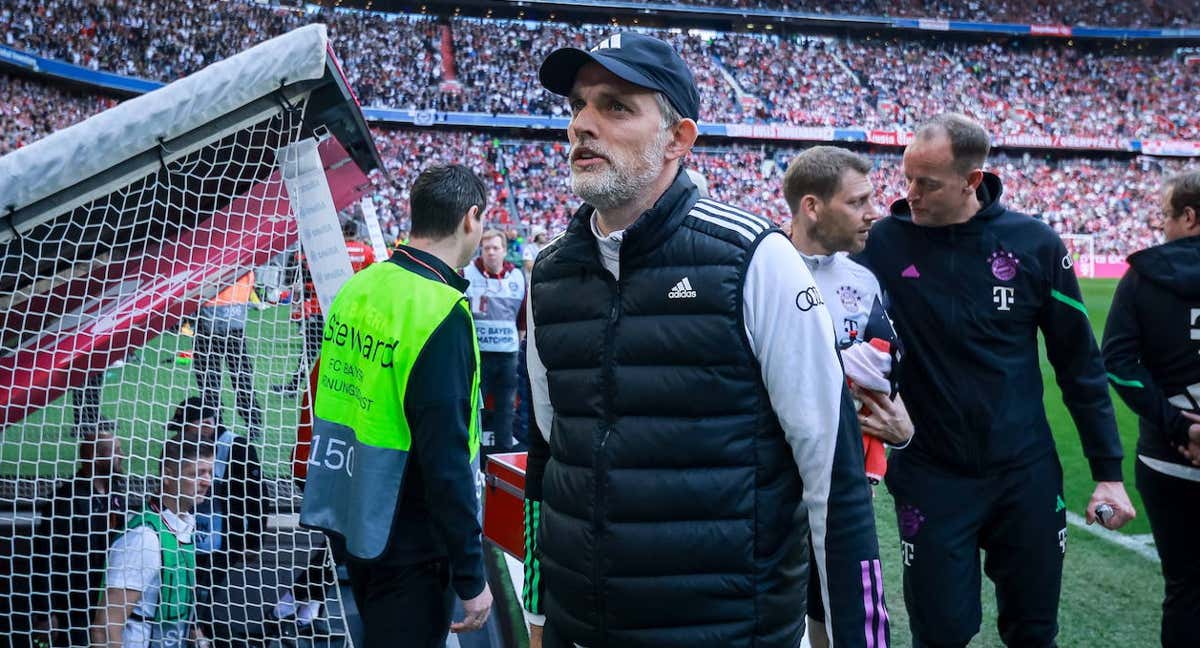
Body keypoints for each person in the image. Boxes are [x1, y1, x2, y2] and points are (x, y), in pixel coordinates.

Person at [521, 33, 885, 648]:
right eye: (578, 105)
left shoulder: (756, 261)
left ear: (679, 140)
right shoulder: (549, 272)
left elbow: (834, 478)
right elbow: (548, 457)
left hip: (729, 632)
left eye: (615, 106)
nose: (583, 124)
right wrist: (537, 618)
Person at [859, 113, 1136, 647]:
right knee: (940, 634)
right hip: (930, 475)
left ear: (972, 179)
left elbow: (1079, 364)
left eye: (927, 183)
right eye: (907, 177)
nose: (910, 194)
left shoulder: (1034, 245)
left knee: (1033, 632)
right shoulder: (882, 243)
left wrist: (1108, 472)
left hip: (1025, 476)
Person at [299, 164, 493, 647]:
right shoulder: (441, 312)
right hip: (412, 541)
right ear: (471, 219)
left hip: (354, 518)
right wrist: (472, 577)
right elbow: (446, 460)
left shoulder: (358, 288)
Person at [783, 145, 915, 648]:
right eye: (858, 202)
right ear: (813, 206)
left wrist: (899, 432)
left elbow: (884, 373)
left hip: (845, 486)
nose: (874, 212)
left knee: (844, 617)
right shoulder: (757, 269)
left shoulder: (863, 280)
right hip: (770, 484)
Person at [1101, 170, 1200, 648]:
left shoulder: (1143, 276)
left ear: (1188, 216)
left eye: (1165, 214)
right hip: (1169, 458)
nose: (1161, 225)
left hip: (1167, 459)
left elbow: (1117, 364)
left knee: (1185, 590)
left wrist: (1179, 424)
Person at [92, 430, 216, 648]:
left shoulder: (185, 527)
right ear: (167, 475)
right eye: (197, 473)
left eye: (210, 473)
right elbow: (105, 628)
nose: (207, 482)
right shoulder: (145, 538)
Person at [166, 396, 265, 643]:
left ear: (205, 425)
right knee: (189, 595)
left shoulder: (237, 448)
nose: (181, 435)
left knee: (202, 594)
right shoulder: (181, 447)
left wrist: (253, 540)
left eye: (185, 428)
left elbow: (256, 497)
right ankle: (197, 633)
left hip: (221, 541)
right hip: (182, 535)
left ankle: (197, 633)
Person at [34, 430, 127, 647]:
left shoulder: (116, 494)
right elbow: (44, 556)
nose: (122, 455)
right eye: (115, 451)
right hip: (72, 608)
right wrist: (46, 612)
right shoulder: (66, 499)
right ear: (95, 456)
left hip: (106, 603)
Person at [274, 219, 376, 397]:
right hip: (351, 310)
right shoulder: (366, 251)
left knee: (309, 351)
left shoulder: (334, 249)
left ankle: (294, 388)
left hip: (323, 306)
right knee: (348, 353)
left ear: (343, 232)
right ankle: (347, 389)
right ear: (356, 233)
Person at [464, 228, 527, 453]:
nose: (491, 253)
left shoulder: (517, 277)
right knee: (475, 408)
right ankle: (475, 454)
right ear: (481, 249)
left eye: (495, 248)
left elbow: (521, 320)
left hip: (508, 355)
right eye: (486, 248)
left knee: (506, 409)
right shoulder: (467, 274)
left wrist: (517, 346)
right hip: (479, 355)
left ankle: (503, 454)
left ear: (504, 251)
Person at [193, 271, 264, 441]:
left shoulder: (209, 258)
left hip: (208, 321)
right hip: (233, 320)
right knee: (239, 376)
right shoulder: (243, 259)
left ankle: (217, 423)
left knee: (210, 379)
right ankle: (252, 423)